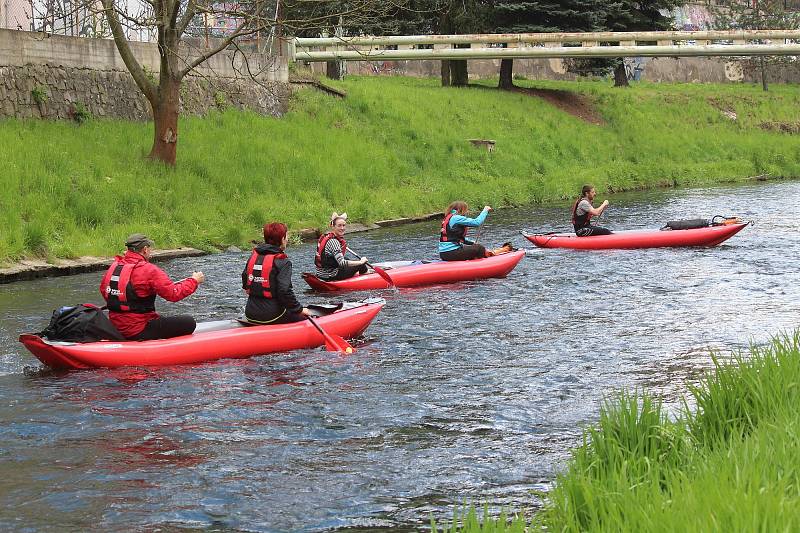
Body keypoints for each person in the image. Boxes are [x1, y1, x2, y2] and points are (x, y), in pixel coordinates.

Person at [99, 233, 205, 340]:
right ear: (145, 249)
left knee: (158, 318)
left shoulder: (114, 266)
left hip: (115, 327)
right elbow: (173, 294)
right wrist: (194, 281)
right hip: (138, 330)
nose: (151, 251)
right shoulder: (150, 270)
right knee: (189, 322)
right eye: (150, 248)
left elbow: (104, 291)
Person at [243, 222, 310, 324]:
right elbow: (284, 291)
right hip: (273, 315)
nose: (287, 239)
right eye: (286, 236)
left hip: (250, 313)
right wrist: (299, 309)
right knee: (305, 320)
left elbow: (245, 278)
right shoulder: (283, 261)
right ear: (282, 239)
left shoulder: (254, 256)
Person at [315, 212, 369, 281]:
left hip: (321, 273)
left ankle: (356, 273)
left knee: (346, 258)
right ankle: (366, 278)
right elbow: (342, 263)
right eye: (339, 225)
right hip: (331, 275)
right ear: (333, 226)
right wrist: (361, 262)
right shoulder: (334, 242)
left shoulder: (327, 237)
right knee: (361, 265)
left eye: (344, 225)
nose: (342, 228)